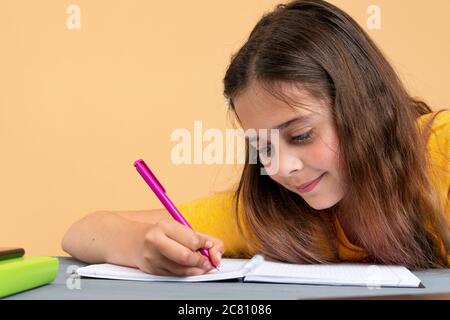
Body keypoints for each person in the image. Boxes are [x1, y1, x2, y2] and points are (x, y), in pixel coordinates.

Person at [62, 0, 450, 276]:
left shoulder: (440, 150)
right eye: (262, 146)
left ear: (360, 106)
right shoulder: (275, 212)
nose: (279, 167)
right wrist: (142, 244)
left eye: (300, 134)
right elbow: (82, 231)